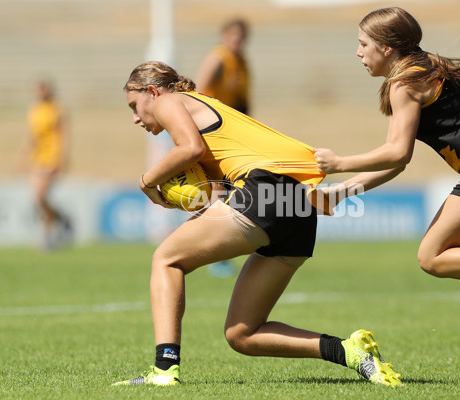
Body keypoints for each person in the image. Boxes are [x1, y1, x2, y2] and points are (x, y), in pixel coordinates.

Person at [112, 61, 402, 387]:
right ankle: (348, 351)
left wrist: (147, 181)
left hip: (263, 191)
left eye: (134, 106)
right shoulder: (205, 103)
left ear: (152, 91)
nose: (136, 117)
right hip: (297, 205)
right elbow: (215, 181)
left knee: (166, 259)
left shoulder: (168, 101)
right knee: (242, 333)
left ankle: (164, 370)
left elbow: (189, 149)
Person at [314, 7, 460, 385]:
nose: (358, 53)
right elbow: (398, 162)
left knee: (431, 256)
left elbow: (397, 153)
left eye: (363, 44)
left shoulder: (404, 83)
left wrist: (339, 163)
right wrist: (344, 191)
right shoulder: (426, 65)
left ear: (388, 48)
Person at [195, 18, 251, 278]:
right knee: (219, 190)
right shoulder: (218, 59)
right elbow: (198, 92)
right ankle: (212, 251)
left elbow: (242, 104)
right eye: (233, 36)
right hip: (212, 132)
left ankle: (218, 251)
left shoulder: (241, 64)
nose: (237, 41)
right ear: (224, 36)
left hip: (231, 135)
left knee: (227, 190)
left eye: (241, 37)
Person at [25, 79, 72, 251]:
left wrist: (61, 158)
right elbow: (32, 136)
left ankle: (51, 233)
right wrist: (25, 158)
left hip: (51, 159)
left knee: (40, 197)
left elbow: (64, 135)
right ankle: (58, 223)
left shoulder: (56, 108)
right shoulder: (34, 110)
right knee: (38, 200)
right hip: (38, 160)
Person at [195, 18, 251, 115]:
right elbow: (198, 89)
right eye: (233, 34)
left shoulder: (241, 62)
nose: (237, 38)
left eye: (241, 35)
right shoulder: (217, 59)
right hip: (211, 115)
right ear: (224, 35)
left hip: (228, 117)